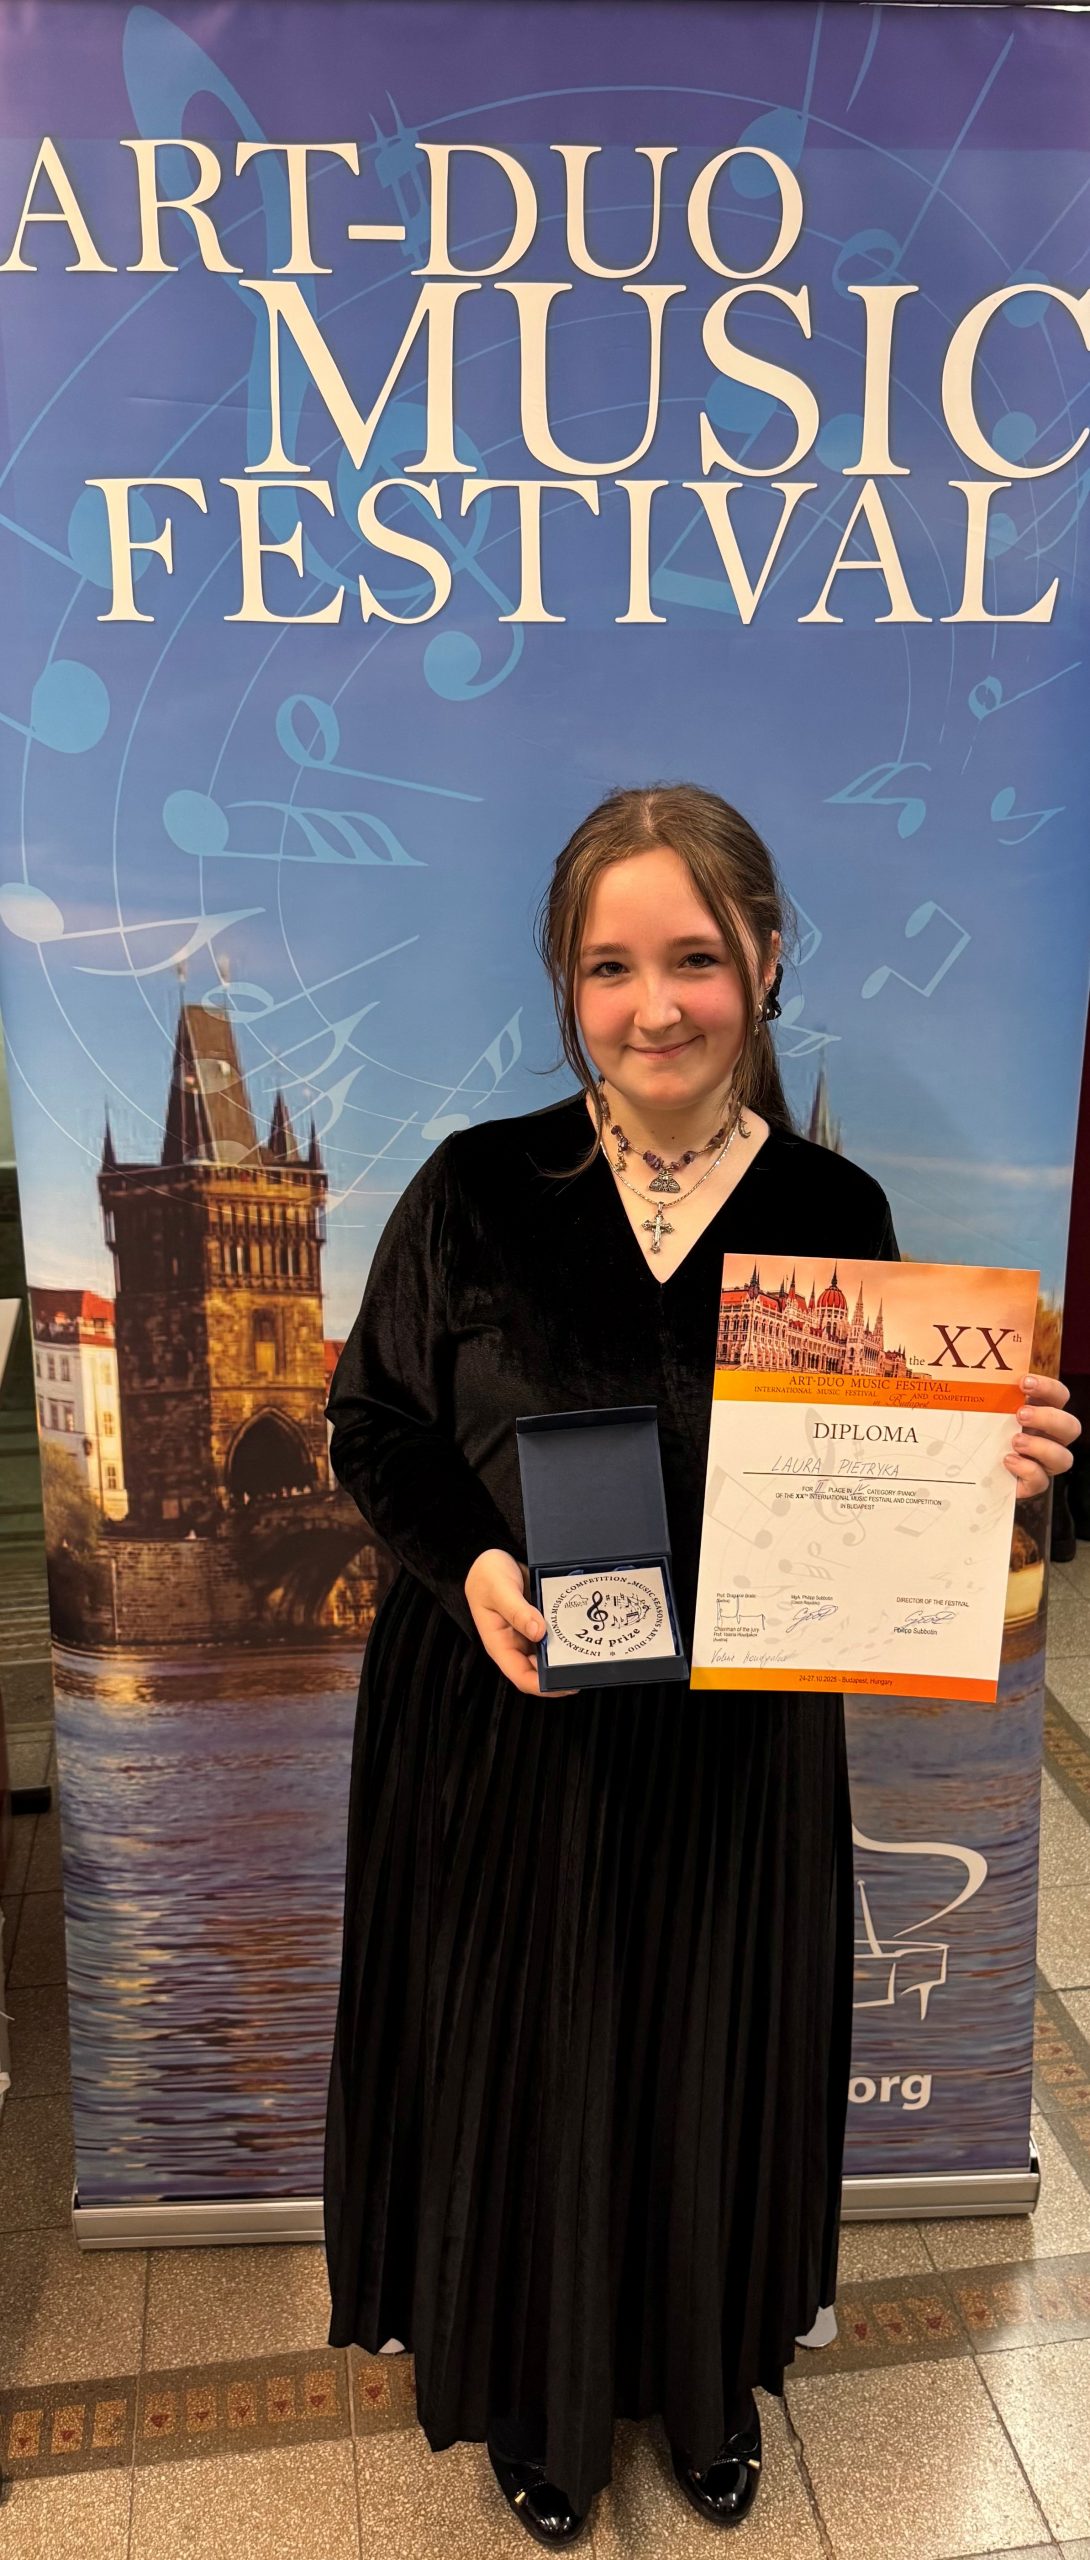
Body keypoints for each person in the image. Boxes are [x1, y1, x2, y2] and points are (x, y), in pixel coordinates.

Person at [322, 784, 1077, 2543]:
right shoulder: (474, 1186)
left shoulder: (832, 1204)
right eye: (607, 966)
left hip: (735, 1736)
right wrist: (473, 1566)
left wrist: (1001, 1467)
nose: (651, 1005)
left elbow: (883, 1484)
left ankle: (700, 2369)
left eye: (693, 958)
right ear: (564, 982)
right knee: (524, 2055)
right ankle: (532, 2385)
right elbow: (373, 1427)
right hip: (503, 1720)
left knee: (706, 2046)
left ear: (764, 959)